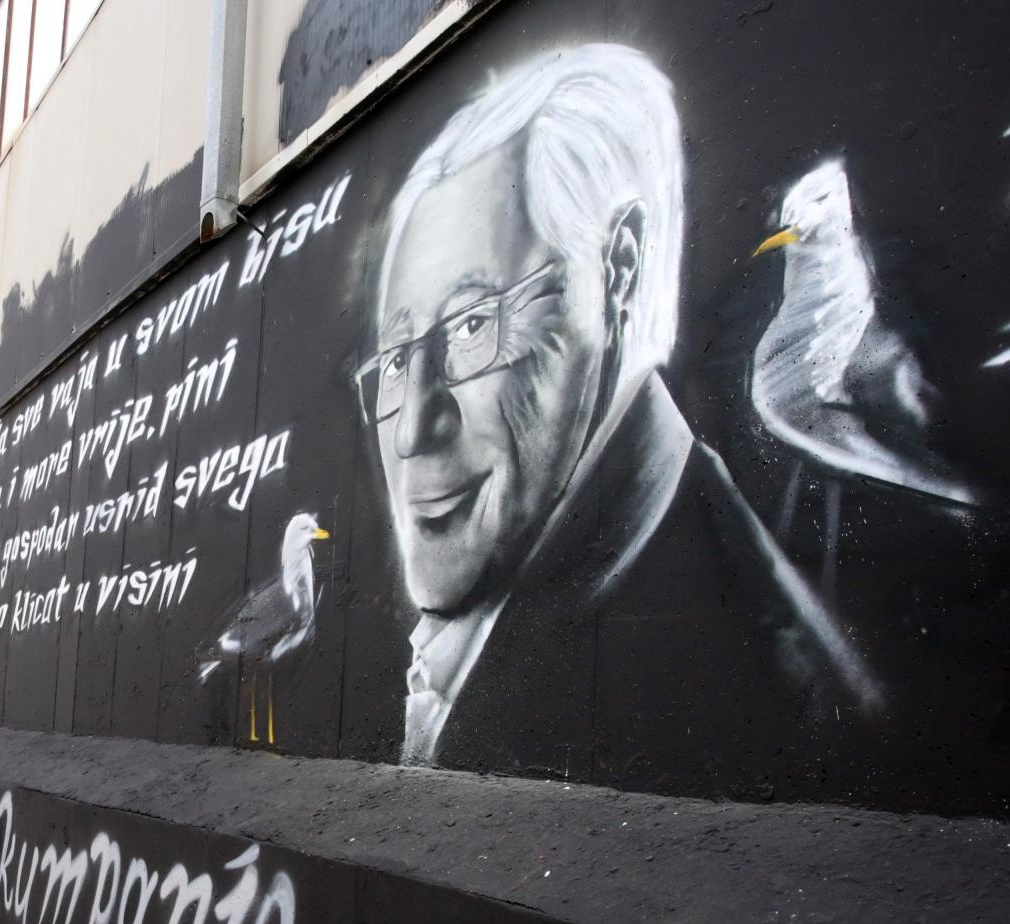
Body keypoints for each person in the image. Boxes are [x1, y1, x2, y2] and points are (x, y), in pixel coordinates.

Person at [360, 44, 880, 794]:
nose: (413, 430)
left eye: (473, 326)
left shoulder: (724, 677)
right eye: (399, 359)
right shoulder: (622, 580)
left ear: (618, 270)